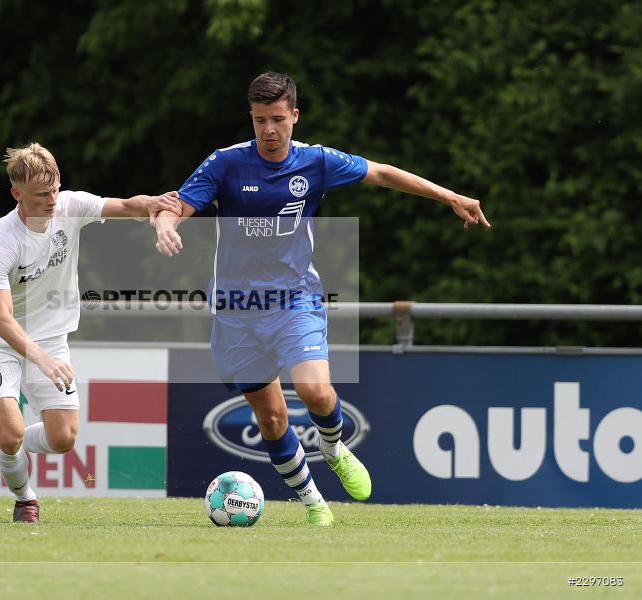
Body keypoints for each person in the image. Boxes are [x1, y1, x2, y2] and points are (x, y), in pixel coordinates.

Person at [154, 72, 490, 526]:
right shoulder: (226, 163)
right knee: (272, 420)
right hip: (236, 312)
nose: (269, 130)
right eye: (259, 121)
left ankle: (332, 448)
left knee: (315, 391)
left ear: (294, 115)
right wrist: (166, 225)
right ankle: (314, 503)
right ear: (250, 118)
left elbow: (381, 172)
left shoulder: (316, 161)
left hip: (295, 300)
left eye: (277, 119)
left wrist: (449, 196)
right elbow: (177, 204)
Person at [0, 143, 181, 523]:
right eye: (41, 195)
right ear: (17, 194)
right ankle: (25, 499)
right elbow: (1, 318)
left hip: (49, 337)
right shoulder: (1, 240)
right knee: (11, 432)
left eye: (54, 189)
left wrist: (150, 204)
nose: (52, 201)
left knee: (63, 438)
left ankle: (12, 445)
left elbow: (125, 206)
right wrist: (43, 360)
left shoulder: (70, 206)